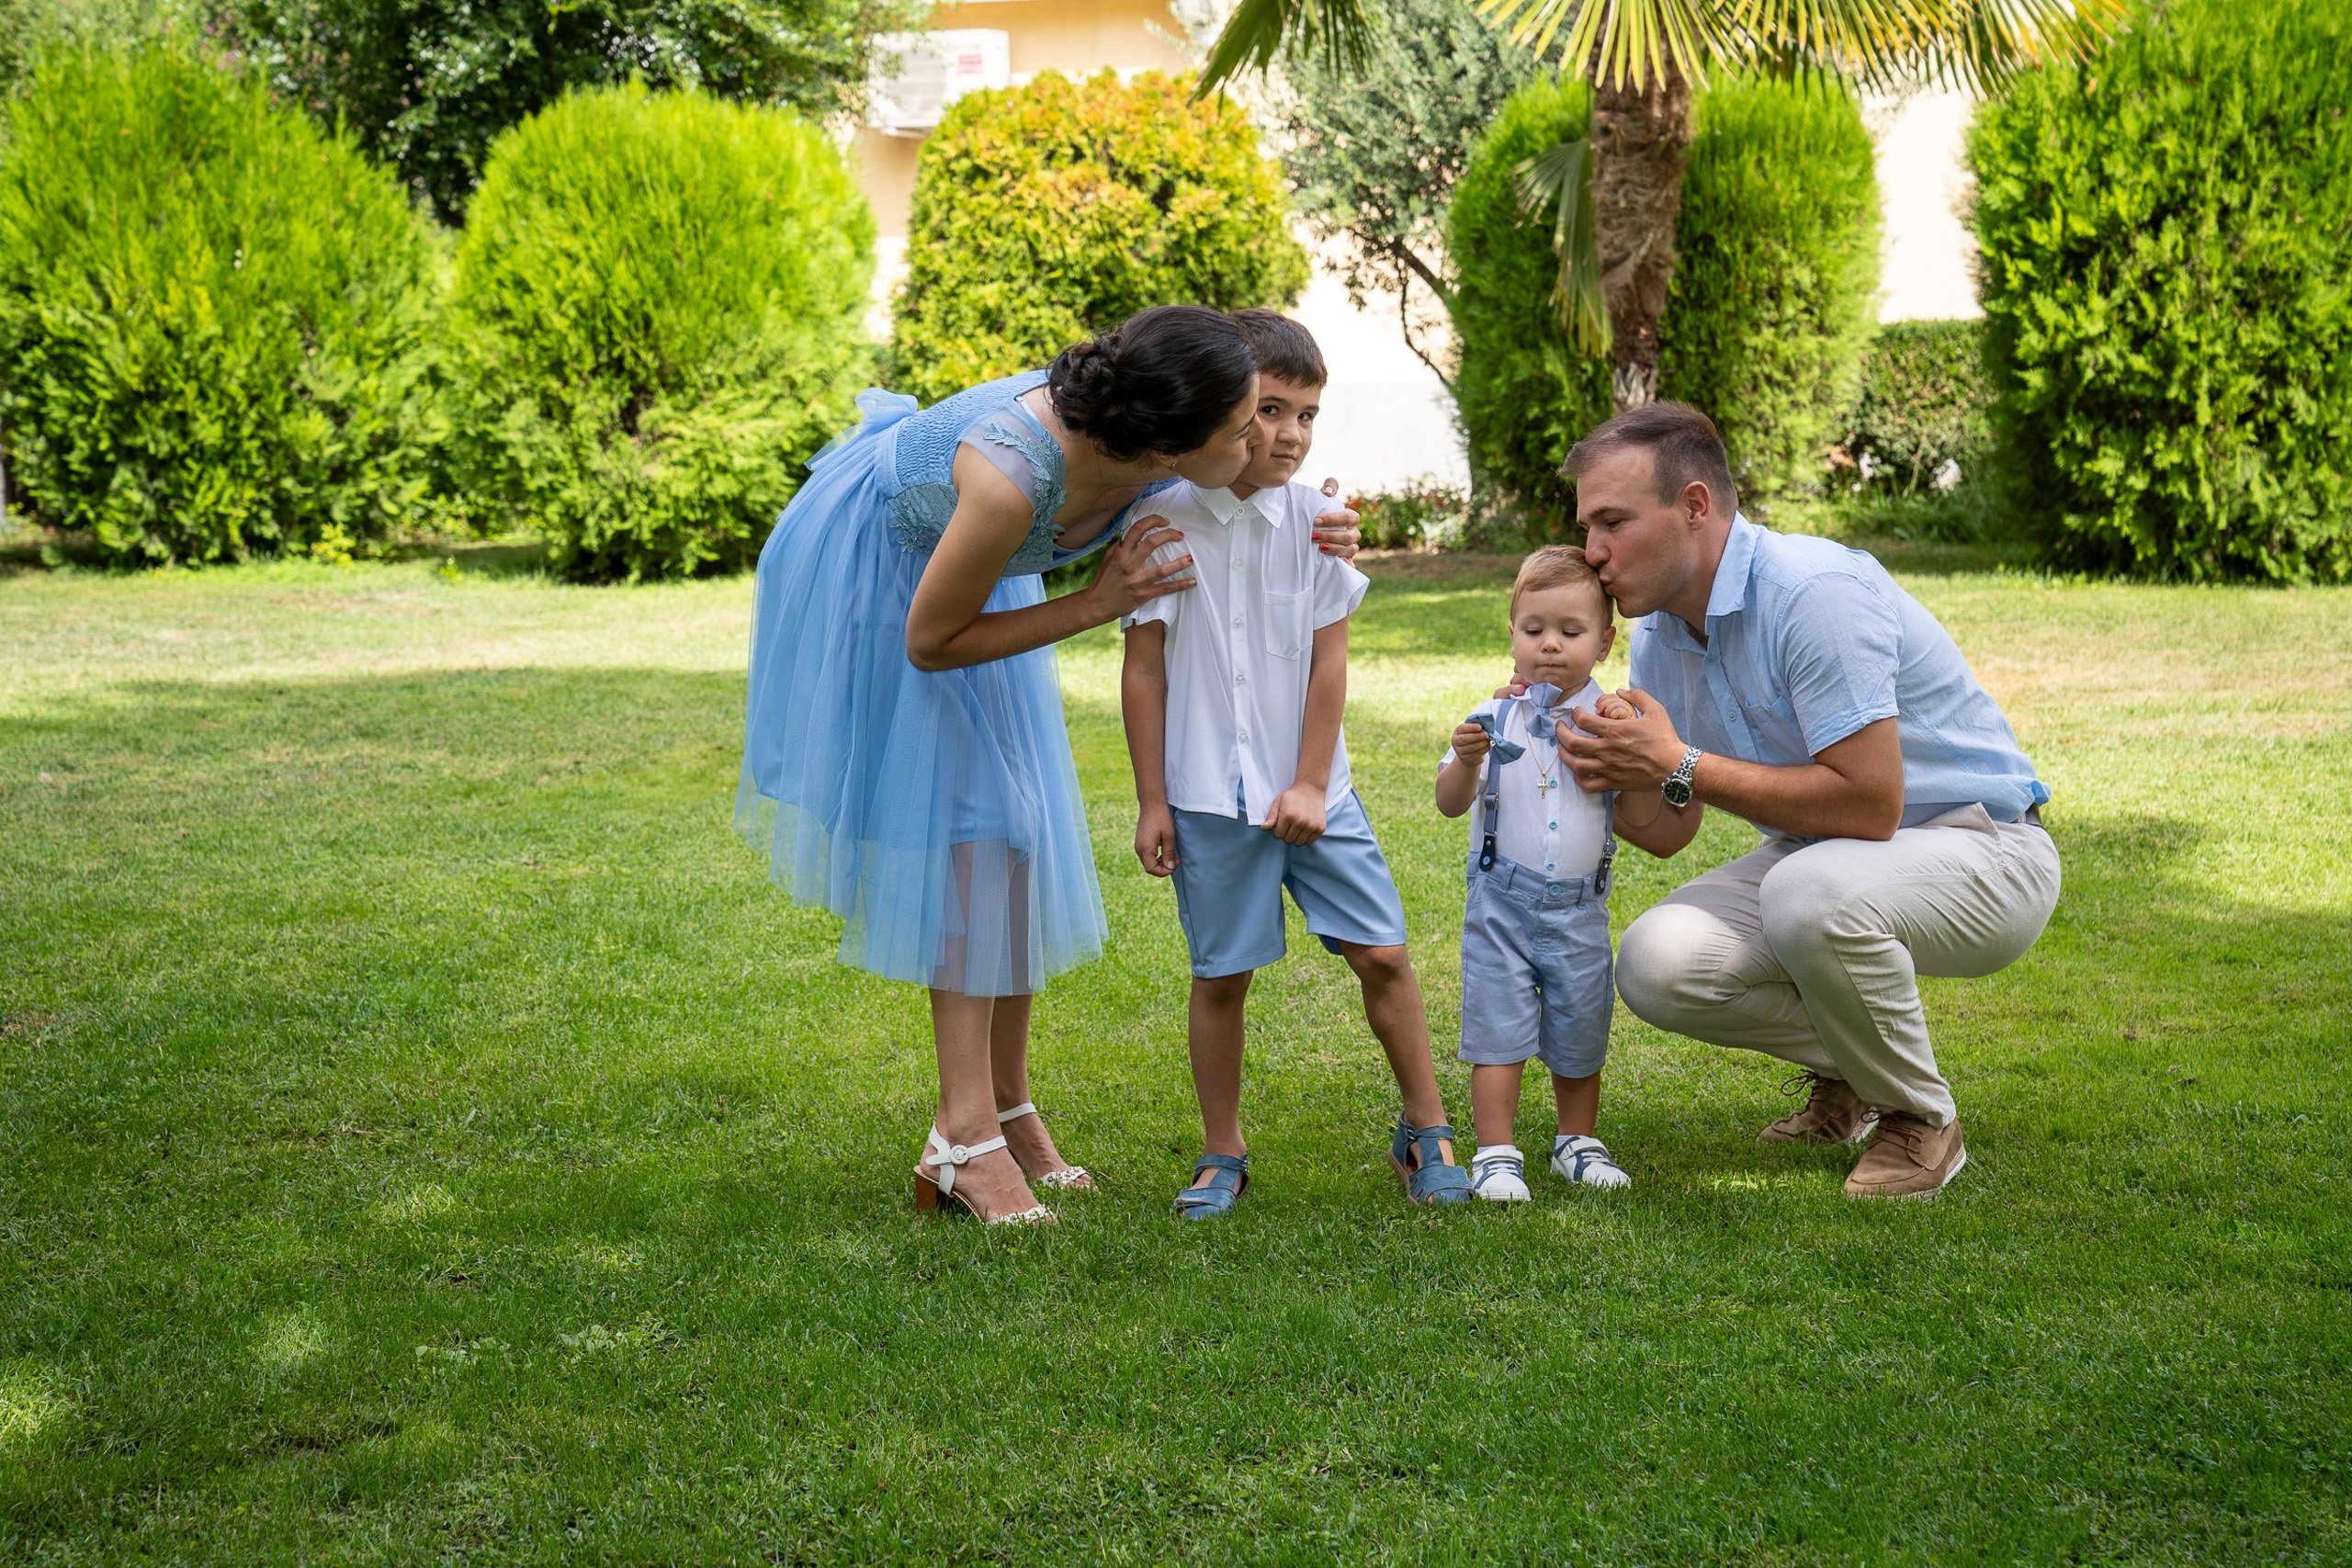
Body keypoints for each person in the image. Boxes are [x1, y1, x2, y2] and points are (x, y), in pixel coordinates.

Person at [736, 305, 1363, 1225]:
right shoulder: (1009, 473)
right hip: (887, 572)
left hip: (985, 582)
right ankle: (962, 1140)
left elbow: (1252, 515)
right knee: (977, 837)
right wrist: (1100, 600)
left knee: (1023, 839)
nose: (1262, 441)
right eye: (1244, 428)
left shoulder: (1155, 459)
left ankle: (1007, 1108)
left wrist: (1326, 522)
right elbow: (934, 641)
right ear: (1168, 445)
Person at [1555, 402, 2062, 1199]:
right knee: (1656, 964)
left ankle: (1921, 1117)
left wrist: (1677, 757)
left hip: (1986, 847)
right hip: (1823, 856)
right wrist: (1618, 773)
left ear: (1694, 506)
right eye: (1587, 526)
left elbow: (1870, 804)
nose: (1593, 552)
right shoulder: (1659, 633)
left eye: (1612, 521)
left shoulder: (1812, 592)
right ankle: (1856, 1072)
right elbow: (1671, 829)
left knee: (1803, 891)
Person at [1121, 310, 1470, 1216]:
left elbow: (1330, 662)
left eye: (1307, 414)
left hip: (1321, 793)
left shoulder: (1319, 523)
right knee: (1220, 976)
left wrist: (1313, 782)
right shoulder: (1160, 520)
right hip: (1205, 795)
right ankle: (1221, 1150)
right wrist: (1153, 800)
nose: (1289, 435)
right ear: (1226, 405)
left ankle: (1424, 1126)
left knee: (1384, 956)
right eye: (1270, 410)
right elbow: (1144, 668)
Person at [1436, 547, 1642, 1201]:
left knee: (1581, 1022)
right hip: (1501, 899)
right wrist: (1467, 760)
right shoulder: (1491, 717)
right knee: (1497, 1025)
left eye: (1571, 632)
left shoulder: (1616, 723)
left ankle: (1575, 1141)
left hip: (1580, 905)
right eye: (1534, 630)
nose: (1550, 645)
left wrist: (1625, 741)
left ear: (1605, 642)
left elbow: (1637, 807)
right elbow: (1448, 800)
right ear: (1513, 632)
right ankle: (1496, 1151)